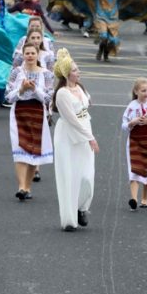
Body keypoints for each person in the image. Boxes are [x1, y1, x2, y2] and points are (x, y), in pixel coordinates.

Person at [53, 49, 99, 231]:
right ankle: (69, 218)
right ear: (66, 74)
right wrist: (90, 138)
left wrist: (88, 134)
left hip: (85, 131)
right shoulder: (62, 94)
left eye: (77, 69)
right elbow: (71, 119)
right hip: (68, 136)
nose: (78, 72)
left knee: (87, 176)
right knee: (69, 176)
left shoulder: (80, 88)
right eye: (74, 70)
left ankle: (82, 207)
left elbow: (85, 109)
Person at [5, 43, 55, 201]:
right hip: (19, 112)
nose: (30, 56)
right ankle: (21, 187)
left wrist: (33, 89)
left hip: (37, 113)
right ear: (23, 55)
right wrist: (21, 90)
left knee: (34, 151)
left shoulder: (46, 74)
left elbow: (48, 98)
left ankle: (27, 186)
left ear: (37, 55)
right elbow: (8, 96)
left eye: (33, 53)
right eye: (27, 53)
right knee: (19, 149)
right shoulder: (16, 72)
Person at [122, 77, 147, 210]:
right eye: (143, 90)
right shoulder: (131, 106)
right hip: (134, 141)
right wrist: (132, 122)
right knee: (134, 169)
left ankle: (145, 198)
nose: (146, 93)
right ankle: (133, 199)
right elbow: (124, 125)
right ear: (136, 91)